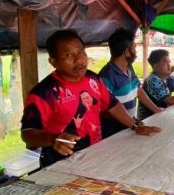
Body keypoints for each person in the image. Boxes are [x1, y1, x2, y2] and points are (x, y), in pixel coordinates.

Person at [21, 30, 161, 168]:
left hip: (94, 155)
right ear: (54, 62)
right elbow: (28, 133)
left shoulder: (93, 79)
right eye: (68, 55)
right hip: (60, 164)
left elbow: (112, 104)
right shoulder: (44, 93)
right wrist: (53, 140)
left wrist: (135, 125)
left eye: (81, 52)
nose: (78, 60)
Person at [99, 28, 164, 138]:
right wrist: (132, 123)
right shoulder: (106, 76)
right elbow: (105, 111)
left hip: (130, 127)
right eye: (134, 47)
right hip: (115, 134)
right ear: (126, 52)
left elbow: (138, 90)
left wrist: (156, 110)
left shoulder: (129, 68)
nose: (136, 51)